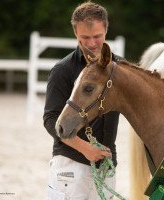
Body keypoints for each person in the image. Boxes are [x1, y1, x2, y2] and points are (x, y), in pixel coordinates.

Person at [43, 1, 124, 200]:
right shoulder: (62, 70)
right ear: (75, 35)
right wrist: (85, 148)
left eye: (97, 36)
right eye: (84, 37)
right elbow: (50, 119)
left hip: (106, 165)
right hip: (70, 165)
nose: (91, 43)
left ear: (106, 29)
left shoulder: (121, 68)